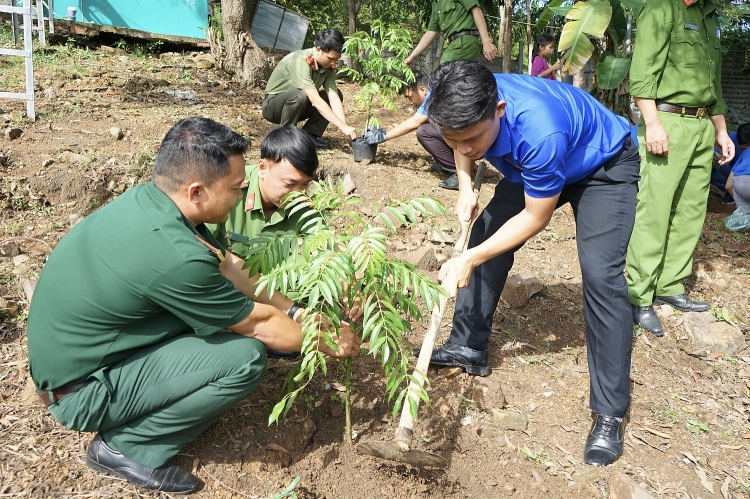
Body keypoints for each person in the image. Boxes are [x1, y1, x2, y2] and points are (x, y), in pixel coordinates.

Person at [26, 117, 361, 494]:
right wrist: (325, 339)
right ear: (197, 190)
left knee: (218, 325)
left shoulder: (155, 203)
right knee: (244, 357)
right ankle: (125, 447)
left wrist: (297, 312)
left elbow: (232, 268)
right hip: (80, 392)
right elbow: (260, 326)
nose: (241, 195)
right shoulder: (176, 255)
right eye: (236, 188)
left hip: (78, 361)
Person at [420, 60, 640, 467]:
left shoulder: (539, 129)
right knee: (486, 236)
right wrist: (465, 186)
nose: (464, 148)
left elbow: (536, 217)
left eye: (473, 138)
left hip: (601, 166)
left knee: (601, 276)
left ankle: (609, 411)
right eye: (455, 140)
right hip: (534, 165)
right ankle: (468, 345)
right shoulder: (461, 98)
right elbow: (459, 138)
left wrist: (468, 257)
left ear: (499, 110)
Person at [627, 0, 734, 337]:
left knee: (690, 210)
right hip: (668, 120)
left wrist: (721, 130)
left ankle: (670, 284)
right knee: (654, 210)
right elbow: (642, 74)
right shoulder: (661, 8)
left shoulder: (710, 16)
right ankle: (638, 295)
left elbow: (711, 84)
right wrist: (653, 123)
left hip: (703, 124)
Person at [262, 29, 357, 149]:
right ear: (318, 49)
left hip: (298, 105)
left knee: (337, 93)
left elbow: (333, 98)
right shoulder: (300, 61)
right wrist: (342, 126)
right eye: (330, 58)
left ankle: (310, 136)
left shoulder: (327, 66)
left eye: (336, 60)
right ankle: (286, 139)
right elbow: (315, 100)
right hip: (273, 107)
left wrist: (345, 127)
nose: (334, 64)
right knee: (300, 96)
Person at [369, 72, 459, 190]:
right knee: (428, 126)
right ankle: (452, 165)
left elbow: (416, 121)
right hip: (468, 137)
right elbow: (418, 118)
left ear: (422, 89)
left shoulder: (434, 94)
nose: (410, 102)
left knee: (423, 132)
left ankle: (458, 174)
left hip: (470, 140)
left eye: (410, 97)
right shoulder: (436, 87)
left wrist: (383, 137)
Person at [404, 0, 497, 66]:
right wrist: (412, 56)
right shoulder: (435, 4)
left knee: (444, 73)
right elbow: (430, 32)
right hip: (452, 45)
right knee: (451, 79)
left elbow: (476, 10)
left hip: (465, 41)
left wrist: (486, 42)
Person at [711, 122, 749, 203]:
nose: (743, 151)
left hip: (742, 176)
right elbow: (714, 156)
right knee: (714, 166)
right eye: (742, 148)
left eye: (746, 149)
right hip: (733, 172)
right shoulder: (730, 139)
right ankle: (731, 194)